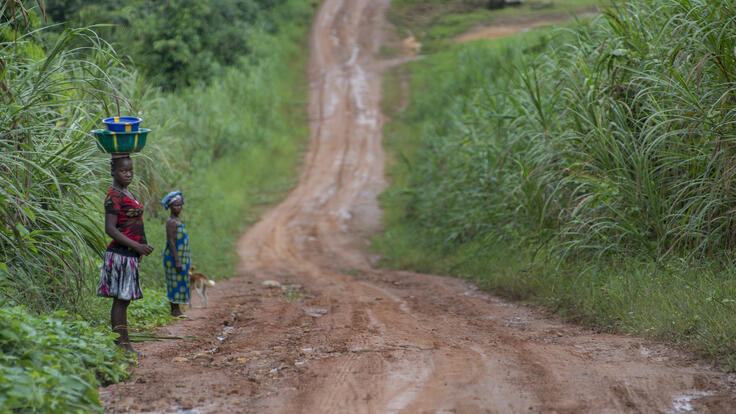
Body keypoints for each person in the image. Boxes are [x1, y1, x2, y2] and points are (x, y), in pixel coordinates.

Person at [97, 154, 154, 356]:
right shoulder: (114, 196)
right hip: (120, 254)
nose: (128, 174)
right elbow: (111, 229)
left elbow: (137, 222)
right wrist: (137, 247)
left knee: (125, 300)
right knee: (121, 300)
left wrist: (142, 245)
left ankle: (123, 342)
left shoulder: (128, 193)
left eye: (130, 170)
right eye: (123, 170)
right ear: (113, 171)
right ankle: (122, 344)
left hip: (130, 254)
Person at [161, 190, 191, 317]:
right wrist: (177, 260)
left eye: (180, 205)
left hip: (181, 257)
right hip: (174, 257)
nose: (178, 207)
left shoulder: (177, 220)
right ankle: (174, 310)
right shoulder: (171, 222)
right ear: (170, 206)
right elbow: (171, 242)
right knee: (174, 282)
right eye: (175, 205)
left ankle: (177, 309)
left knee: (180, 281)